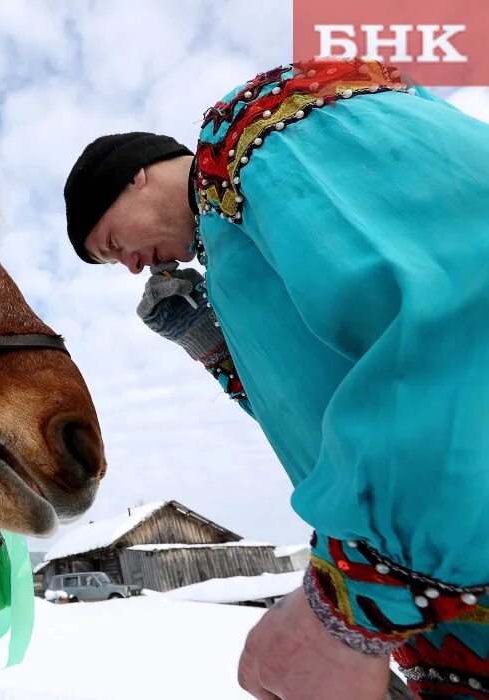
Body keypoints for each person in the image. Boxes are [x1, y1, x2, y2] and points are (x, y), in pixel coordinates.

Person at [63, 57, 489, 700]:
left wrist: (357, 607)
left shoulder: (258, 129)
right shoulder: (237, 239)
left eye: (110, 243)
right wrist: (216, 348)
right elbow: (320, 416)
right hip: (449, 612)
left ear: (135, 176)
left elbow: (460, 308)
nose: (128, 266)